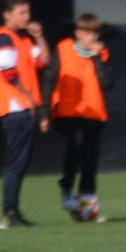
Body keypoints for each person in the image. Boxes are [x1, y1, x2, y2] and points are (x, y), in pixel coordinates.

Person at [0, 0, 50, 229]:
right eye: (22, 12)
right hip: (15, 108)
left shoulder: (21, 39)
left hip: (23, 109)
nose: (27, 16)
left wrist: (39, 36)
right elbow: (8, 73)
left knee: (20, 163)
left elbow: (43, 61)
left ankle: (13, 212)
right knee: (16, 163)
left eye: (28, 12)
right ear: (7, 14)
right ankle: (9, 213)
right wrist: (29, 98)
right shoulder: (4, 38)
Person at [51, 14, 114, 223]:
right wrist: (44, 110)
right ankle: (67, 186)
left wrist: (97, 59)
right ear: (78, 33)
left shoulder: (101, 53)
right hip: (67, 111)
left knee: (90, 158)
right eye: (87, 32)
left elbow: (107, 83)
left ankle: (86, 203)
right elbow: (49, 77)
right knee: (76, 145)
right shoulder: (63, 49)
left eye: (95, 33)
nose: (91, 37)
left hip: (93, 112)